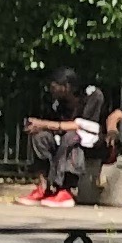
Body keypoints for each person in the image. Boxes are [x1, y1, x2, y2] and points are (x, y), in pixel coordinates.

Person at [20, 63, 102, 204]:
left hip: (90, 141)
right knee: (40, 137)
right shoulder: (58, 103)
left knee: (72, 136)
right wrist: (38, 127)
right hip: (64, 139)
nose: (51, 90)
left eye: (54, 87)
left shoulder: (92, 96)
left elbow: (80, 125)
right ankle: (44, 186)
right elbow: (56, 125)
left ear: (67, 87)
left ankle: (66, 190)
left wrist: (43, 123)